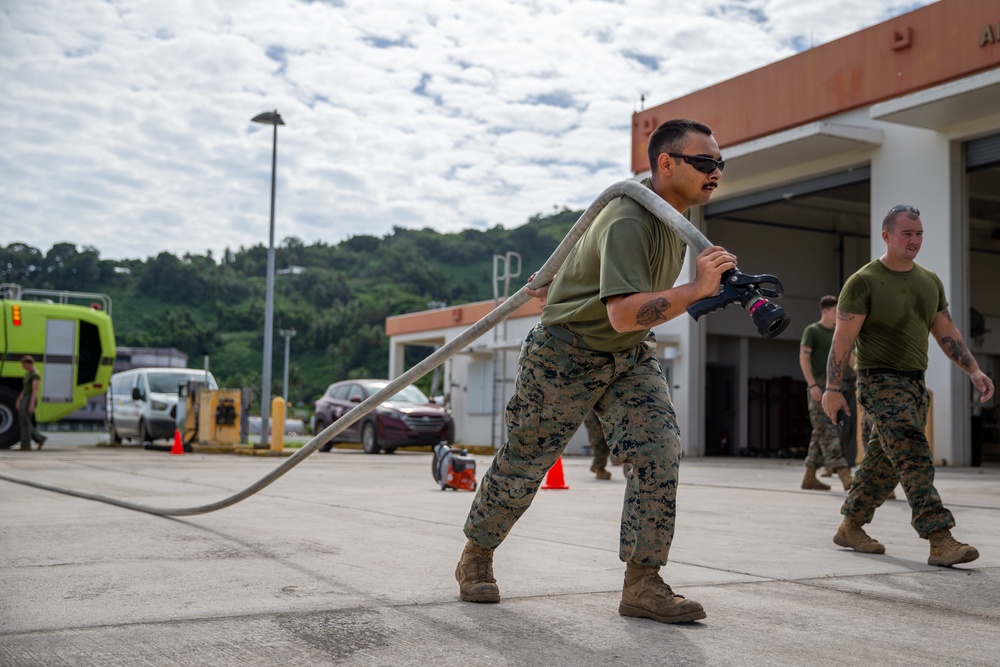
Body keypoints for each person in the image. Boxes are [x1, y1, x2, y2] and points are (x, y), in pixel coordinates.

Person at [456, 118, 736, 624]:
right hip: (565, 355)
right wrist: (696, 290)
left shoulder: (673, 221)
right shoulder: (631, 217)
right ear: (666, 163)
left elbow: (624, 308)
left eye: (721, 164)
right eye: (705, 163)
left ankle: (643, 583)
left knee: (659, 448)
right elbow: (624, 311)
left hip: (628, 356)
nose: (715, 172)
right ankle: (476, 555)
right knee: (526, 461)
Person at [822, 204, 994, 567]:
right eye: (906, 234)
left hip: (915, 383)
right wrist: (832, 389)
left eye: (918, 234)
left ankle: (850, 525)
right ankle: (939, 537)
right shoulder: (864, 281)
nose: (914, 240)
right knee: (914, 454)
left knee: (883, 463)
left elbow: (946, 331)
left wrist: (974, 371)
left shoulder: (928, 280)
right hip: (879, 381)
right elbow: (842, 340)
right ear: (886, 236)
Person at [798, 295, 853, 491]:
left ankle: (809, 476)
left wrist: (862, 375)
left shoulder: (838, 333)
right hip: (818, 387)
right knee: (828, 431)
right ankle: (845, 475)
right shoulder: (813, 331)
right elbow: (804, 359)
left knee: (820, 431)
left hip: (834, 386)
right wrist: (812, 385)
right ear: (826, 311)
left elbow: (850, 358)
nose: (839, 314)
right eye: (836, 311)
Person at [15, 355, 47, 451]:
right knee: (24, 420)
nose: (22, 366)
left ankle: (26, 445)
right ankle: (40, 438)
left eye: (24, 364)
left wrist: (32, 403)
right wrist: (19, 399)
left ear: (29, 363)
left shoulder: (35, 374)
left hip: (30, 398)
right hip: (25, 398)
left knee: (25, 421)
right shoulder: (28, 374)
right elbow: (24, 389)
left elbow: (35, 390)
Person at [585, 411, 612, 480]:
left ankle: (597, 464)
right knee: (600, 439)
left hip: (603, 410)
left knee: (607, 437)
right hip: (593, 411)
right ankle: (599, 468)